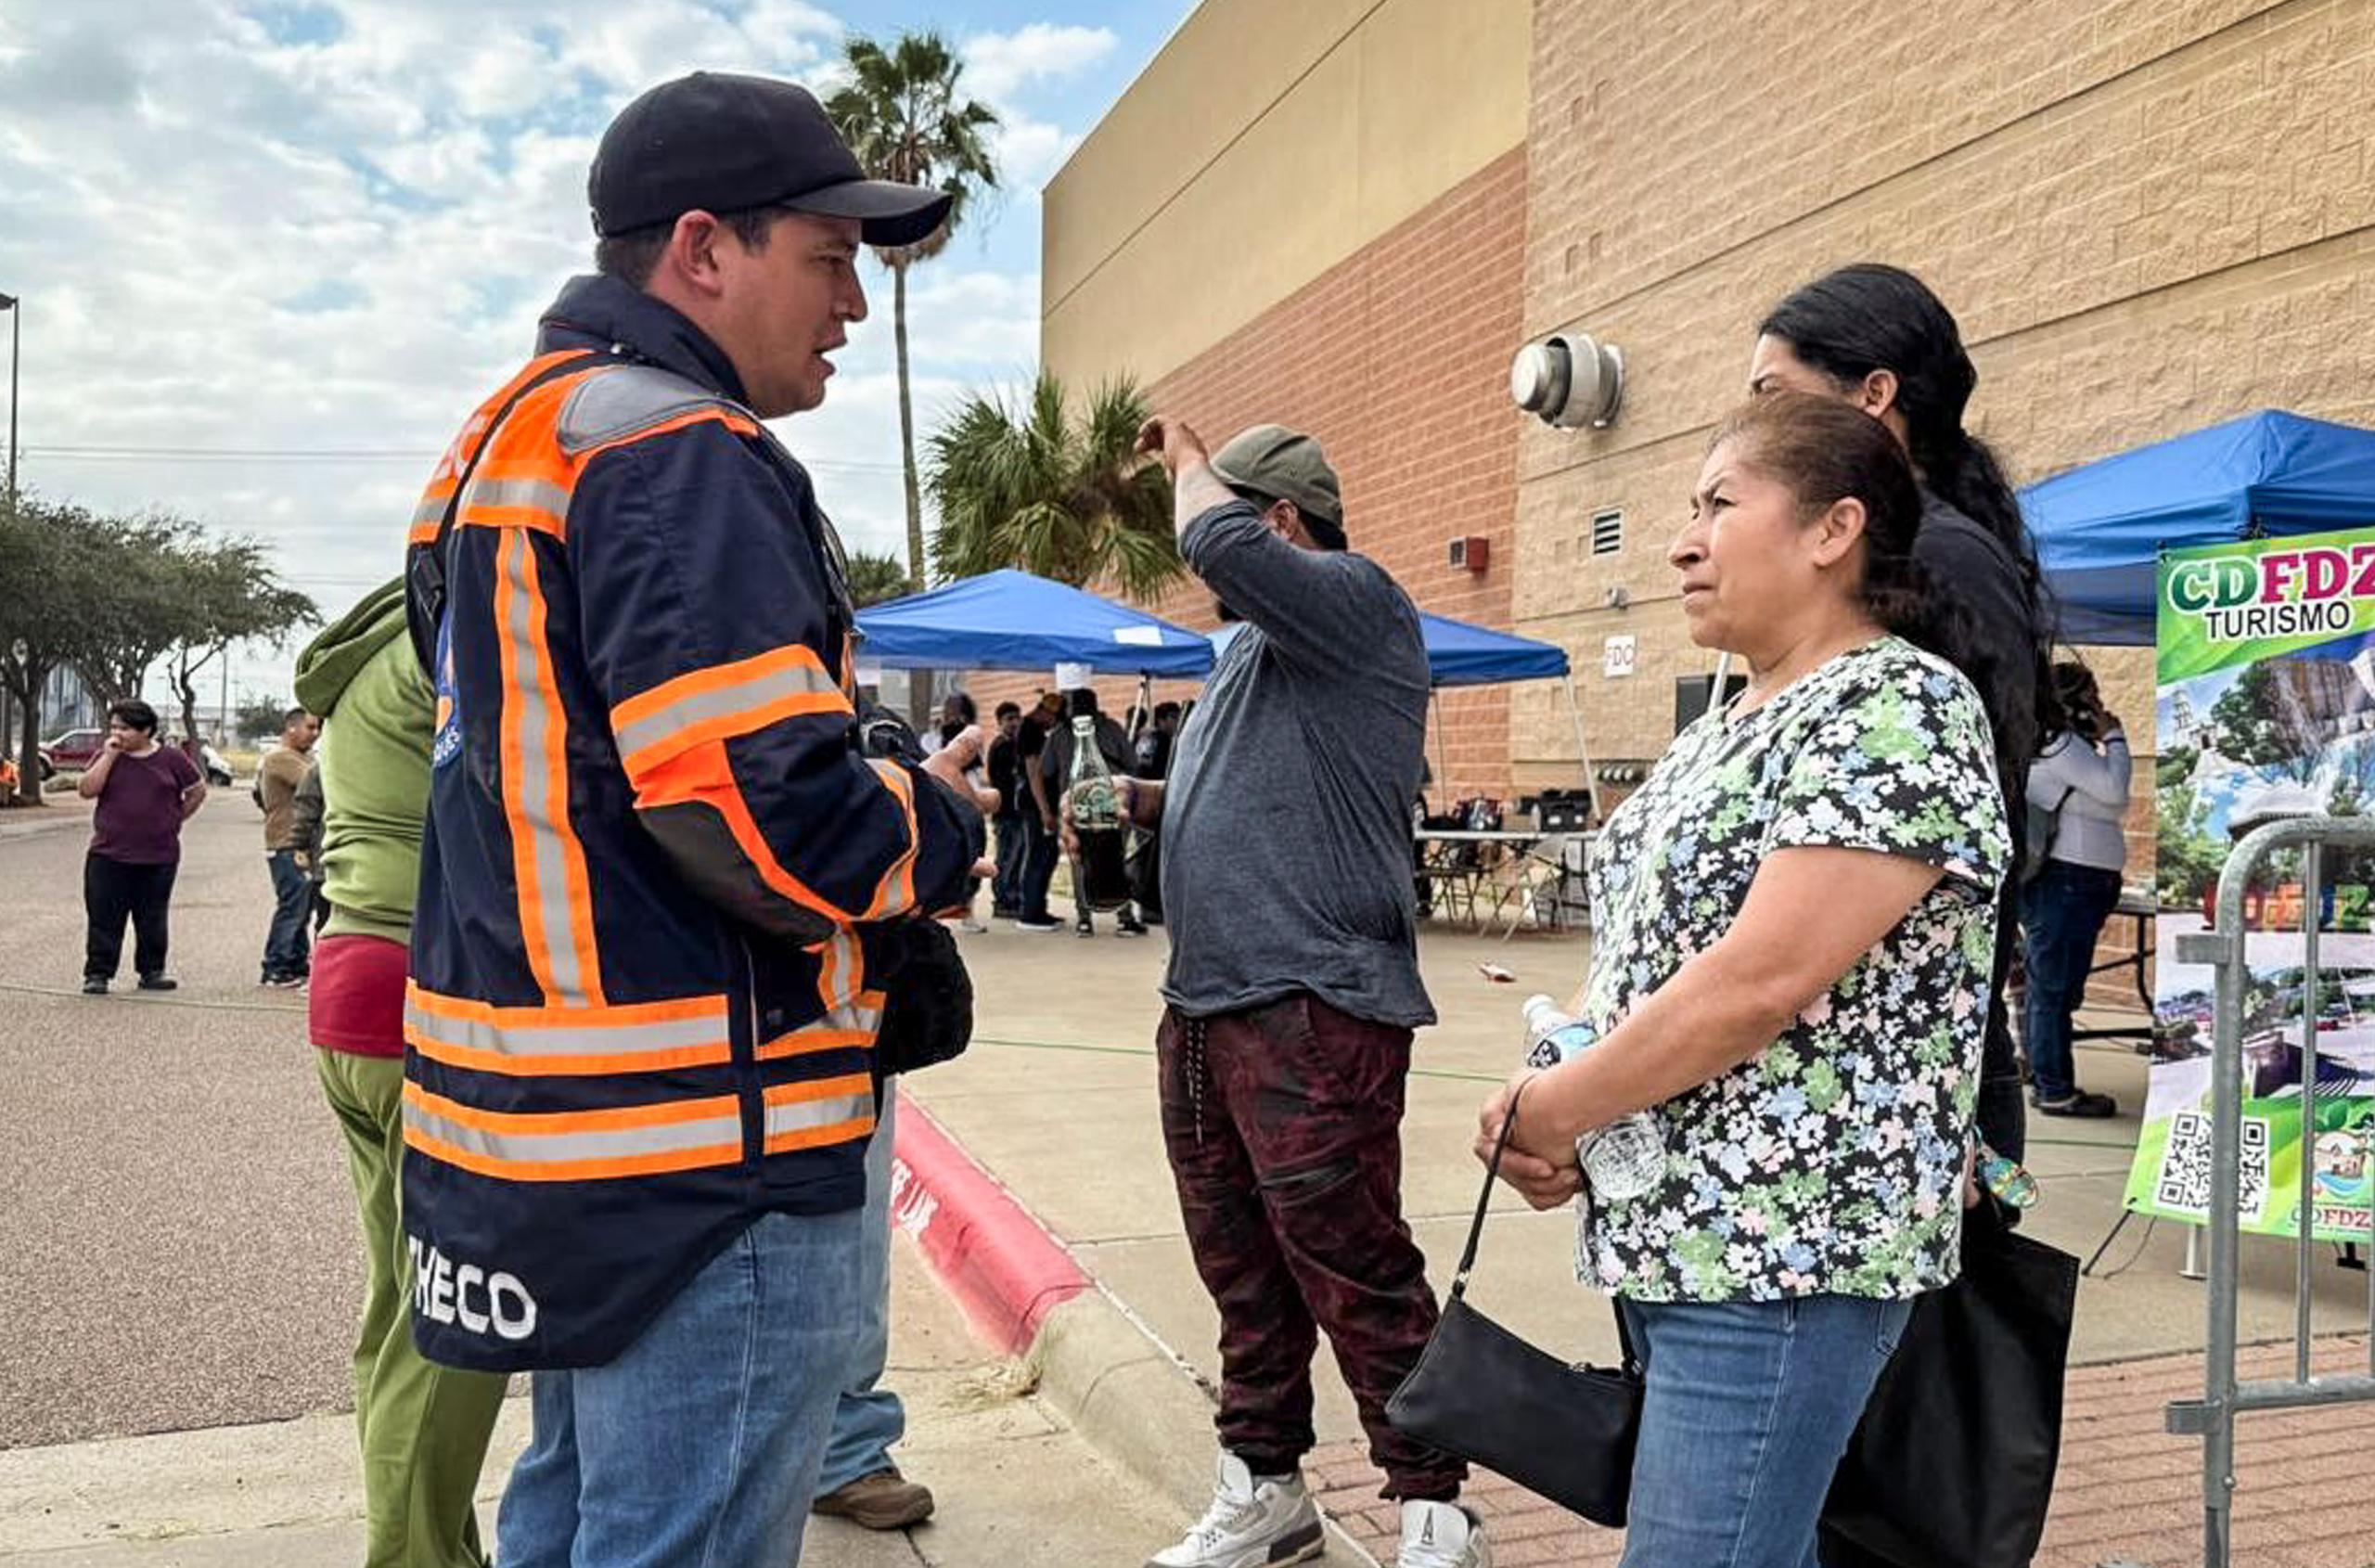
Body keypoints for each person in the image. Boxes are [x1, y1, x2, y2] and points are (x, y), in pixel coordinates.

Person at [401, 71, 987, 1568]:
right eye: (831, 257)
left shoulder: (497, 446)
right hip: (703, 1152)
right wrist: (940, 818)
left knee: (573, 1517)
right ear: (706, 249)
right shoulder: (678, 447)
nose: (852, 304)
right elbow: (771, 825)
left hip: (546, 1128)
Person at [1477, 393, 2009, 1568]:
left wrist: (1560, 1108)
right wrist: (1562, 1071)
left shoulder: (1895, 706)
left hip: (1784, 1248)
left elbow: (1758, 980)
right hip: (1684, 1234)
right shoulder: (1728, 719)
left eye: (1718, 504)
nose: (1682, 540)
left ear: (1833, 531)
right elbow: (1653, 957)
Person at [1118, 418, 1487, 1568]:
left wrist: (1190, 462)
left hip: (1312, 1004)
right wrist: (1156, 805)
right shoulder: (1249, 659)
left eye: (1230, 515)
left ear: (1278, 522)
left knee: (1355, 1264)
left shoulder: (1359, 600)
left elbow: (1218, 541)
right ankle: (1265, 1488)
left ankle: (1434, 1511)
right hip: (1209, 1006)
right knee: (1241, 1269)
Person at [1750, 261, 2056, 1164]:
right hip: (1839, 1056)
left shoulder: (1940, 556)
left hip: (1902, 1071)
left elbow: (1953, 817)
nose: (1754, 425)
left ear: (1874, 394)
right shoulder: (1880, 545)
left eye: (1774, 393)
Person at [293, 581, 509, 1568]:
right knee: (456, 1315)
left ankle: (433, 1547)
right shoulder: (452, 633)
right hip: (421, 986)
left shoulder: (369, 657)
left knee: (399, 1305)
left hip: (350, 976)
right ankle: (415, 1559)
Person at [2021, 662, 2130, 1118]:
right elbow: (2114, 791)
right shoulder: (2060, 745)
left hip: (2075, 879)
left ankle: (2043, 1072)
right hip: (2069, 877)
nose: (2099, 704)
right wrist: (2117, 738)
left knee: (2055, 988)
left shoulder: (2054, 743)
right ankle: (2055, 1089)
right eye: (2092, 693)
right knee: (2053, 990)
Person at [77, 699, 203, 996]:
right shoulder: (107, 756)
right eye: (114, 727)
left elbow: (197, 790)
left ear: (145, 730)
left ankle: (152, 970)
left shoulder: (171, 759)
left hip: (158, 855)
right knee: (104, 917)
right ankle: (98, 973)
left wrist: (175, 818)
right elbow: (86, 789)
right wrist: (109, 757)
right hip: (109, 854)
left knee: (152, 916)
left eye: (125, 728)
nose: (117, 733)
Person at [1042, 686, 1147, 937]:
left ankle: (1084, 919)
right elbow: (1132, 762)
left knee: (1080, 859)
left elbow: (1046, 770)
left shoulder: (1059, 734)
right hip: (1112, 804)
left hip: (1075, 805)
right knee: (1116, 857)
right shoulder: (1111, 728)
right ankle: (1124, 917)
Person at [257, 708, 321, 988]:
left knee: (303, 905)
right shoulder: (281, 758)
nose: (316, 733)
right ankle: (277, 966)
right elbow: (321, 782)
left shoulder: (303, 758)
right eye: (310, 727)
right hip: (286, 842)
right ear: (291, 727)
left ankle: (295, 962)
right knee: (293, 905)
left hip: (299, 842)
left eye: (318, 727)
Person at [1014, 689, 1067, 933]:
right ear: (1045, 712)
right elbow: (1034, 773)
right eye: (1054, 717)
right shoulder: (1030, 731)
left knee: (1048, 854)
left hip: (1041, 803)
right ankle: (1030, 912)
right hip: (1036, 804)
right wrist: (1045, 810)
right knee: (1038, 855)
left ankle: (1038, 908)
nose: (1054, 723)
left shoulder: (1035, 729)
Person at [985, 700, 1026, 918]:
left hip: (1016, 812)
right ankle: (1003, 900)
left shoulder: (1013, 744)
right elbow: (1007, 781)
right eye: (1009, 719)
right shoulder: (1002, 746)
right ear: (1000, 723)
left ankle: (1012, 898)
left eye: (1017, 718)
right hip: (1006, 812)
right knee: (1007, 857)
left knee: (1016, 856)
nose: (1014, 723)